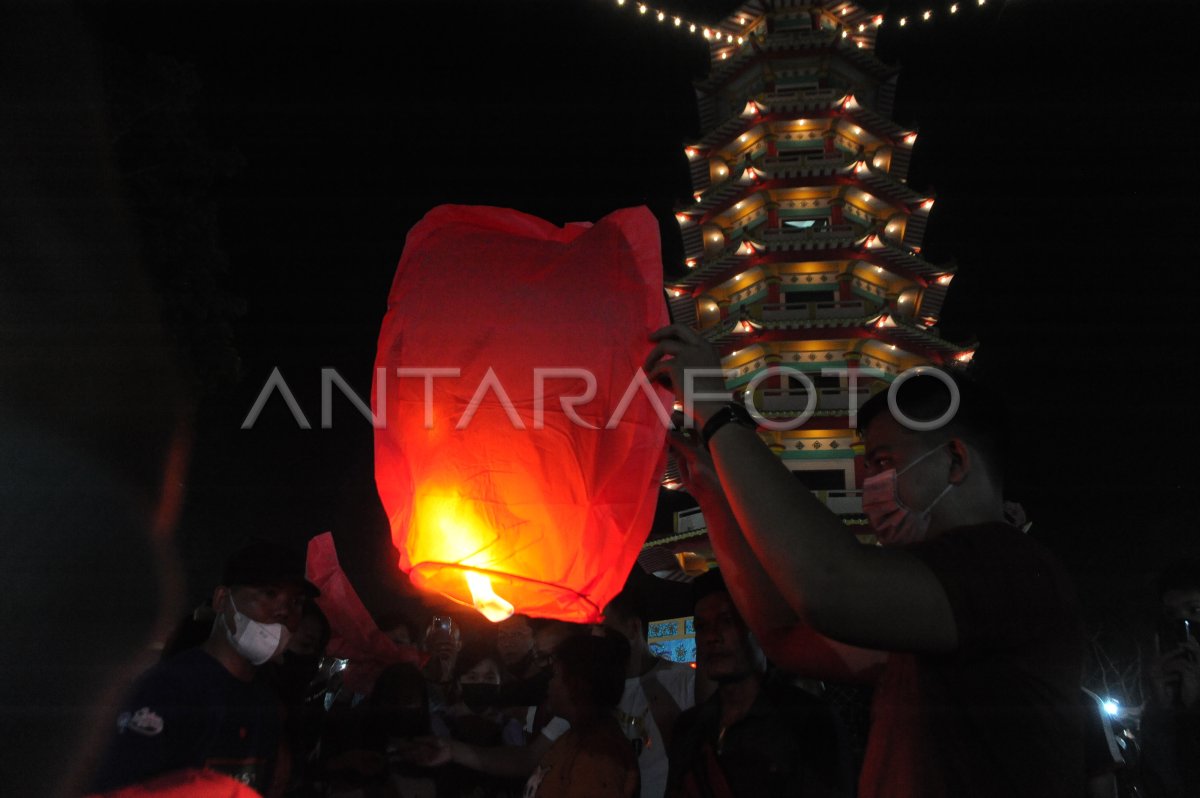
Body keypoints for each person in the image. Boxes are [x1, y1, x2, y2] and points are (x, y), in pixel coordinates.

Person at [646, 325, 1084, 798]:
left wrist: (717, 412)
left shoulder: (1004, 569)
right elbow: (784, 635)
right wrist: (714, 497)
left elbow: (828, 585)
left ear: (955, 461)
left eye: (881, 462)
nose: (866, 485)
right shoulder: (931, 610)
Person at [91, 540, 318, 795]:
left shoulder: (265, 703)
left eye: (296, 602)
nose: (284, 611)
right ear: (222, 600)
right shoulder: (167, 690)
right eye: (269, 593)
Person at [667, 569, 852, 797]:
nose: (711, 636)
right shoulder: (689, 729)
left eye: (726, 621)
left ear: (757, 628)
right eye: (701, 626)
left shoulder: (808, 721)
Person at [598, 588, 697, 798]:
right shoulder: (593, 693)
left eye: (603, 630)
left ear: (634, 628)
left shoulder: (685, 683)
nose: (596, 639)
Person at [523, 634, 639, 798]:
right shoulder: (576, 738)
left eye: (555, 674)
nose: (549, 683)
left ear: (575, 685)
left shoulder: (598, 757)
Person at [1139, 559, 1200, 797]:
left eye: (1195, 611)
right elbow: (1157, 784)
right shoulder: (1166, 698)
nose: (1183, 624)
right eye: (1170, 614)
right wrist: (1162, 710)